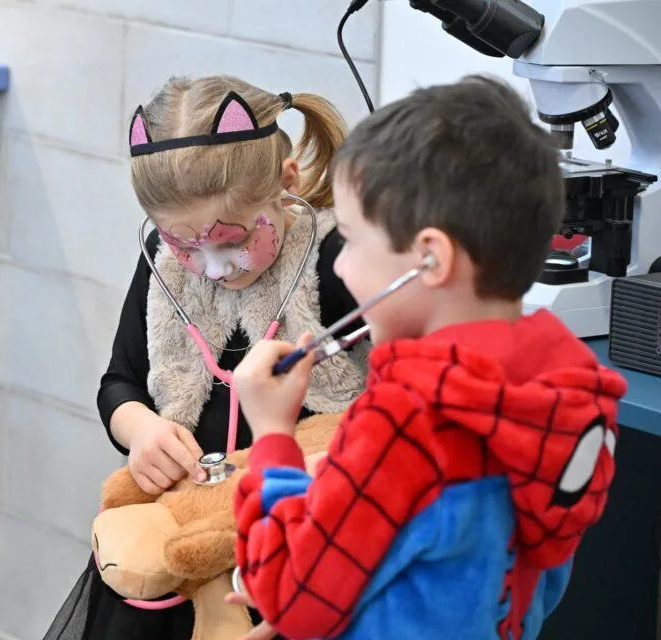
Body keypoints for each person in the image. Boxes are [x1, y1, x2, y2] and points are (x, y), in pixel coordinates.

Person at [228, 75, 627, 640]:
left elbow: (294, 600)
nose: (339, 265)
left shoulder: (406, 417)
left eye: (351, 239)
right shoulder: (569, 381)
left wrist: (272, 436)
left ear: (431, 259)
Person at [42, 76, 367, 640]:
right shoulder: (162, 265)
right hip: (179, 551)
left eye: (232, 241)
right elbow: (120, 384)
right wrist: (141, 430)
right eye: (185, 245)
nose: (213, 267)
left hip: (293, 549)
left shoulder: (338, 262)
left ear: (287, 183)